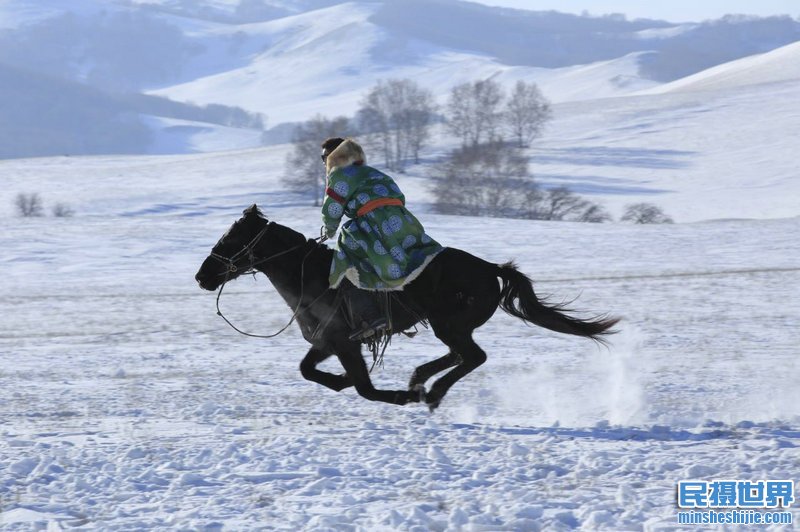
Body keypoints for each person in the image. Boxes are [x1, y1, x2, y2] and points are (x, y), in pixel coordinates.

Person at [320, 137, 443, 341]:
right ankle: (402, 305)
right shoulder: (372, 172)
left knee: (346, 259)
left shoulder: (340, 174)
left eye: (325, 157)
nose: (324, 162)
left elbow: (332, 208)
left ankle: (371, 316)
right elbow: (398, 195)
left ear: (335, 156)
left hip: (374, 222)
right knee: (414, 256)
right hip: (401, 219)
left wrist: (330, 229)